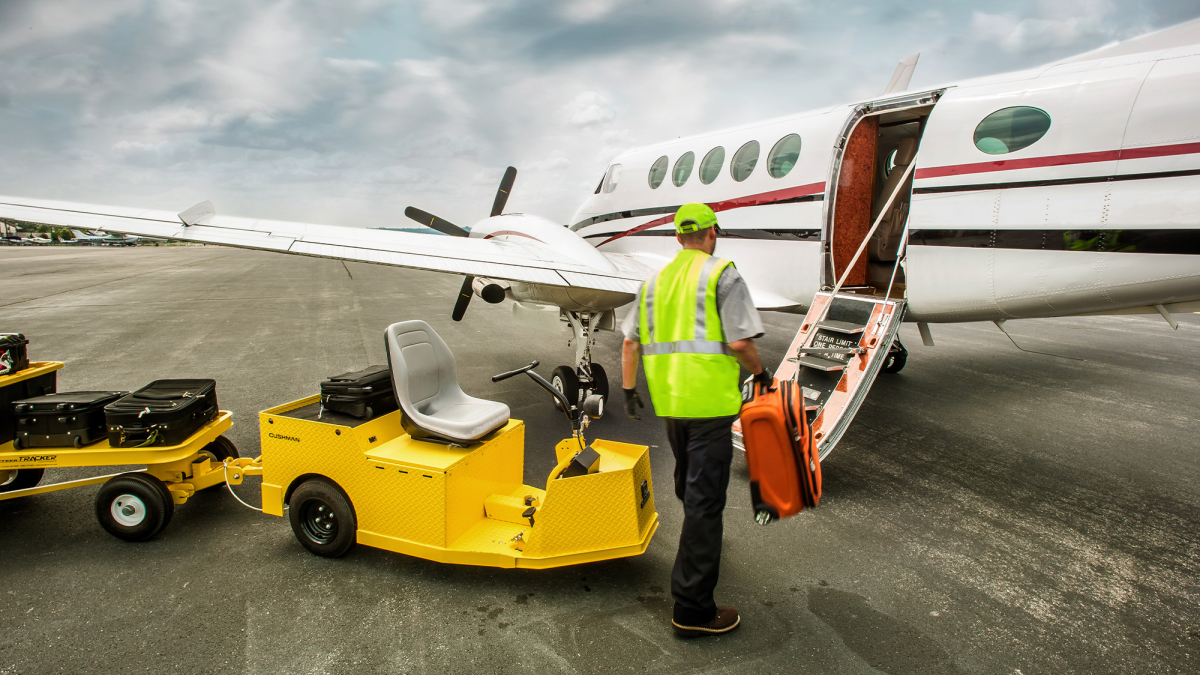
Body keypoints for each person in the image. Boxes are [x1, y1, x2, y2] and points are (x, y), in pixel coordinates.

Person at [620, 202, 772, 637]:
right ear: (712, 233)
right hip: (709, 407)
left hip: (672, 407)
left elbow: (630, 345)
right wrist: (762, 374)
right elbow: (740, 342)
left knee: (692, 493)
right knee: (706, 505)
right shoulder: (723, 274)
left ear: (677, 237)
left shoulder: (653, 282)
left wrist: (630, 391)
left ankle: (695, 552)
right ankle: (693, 610)